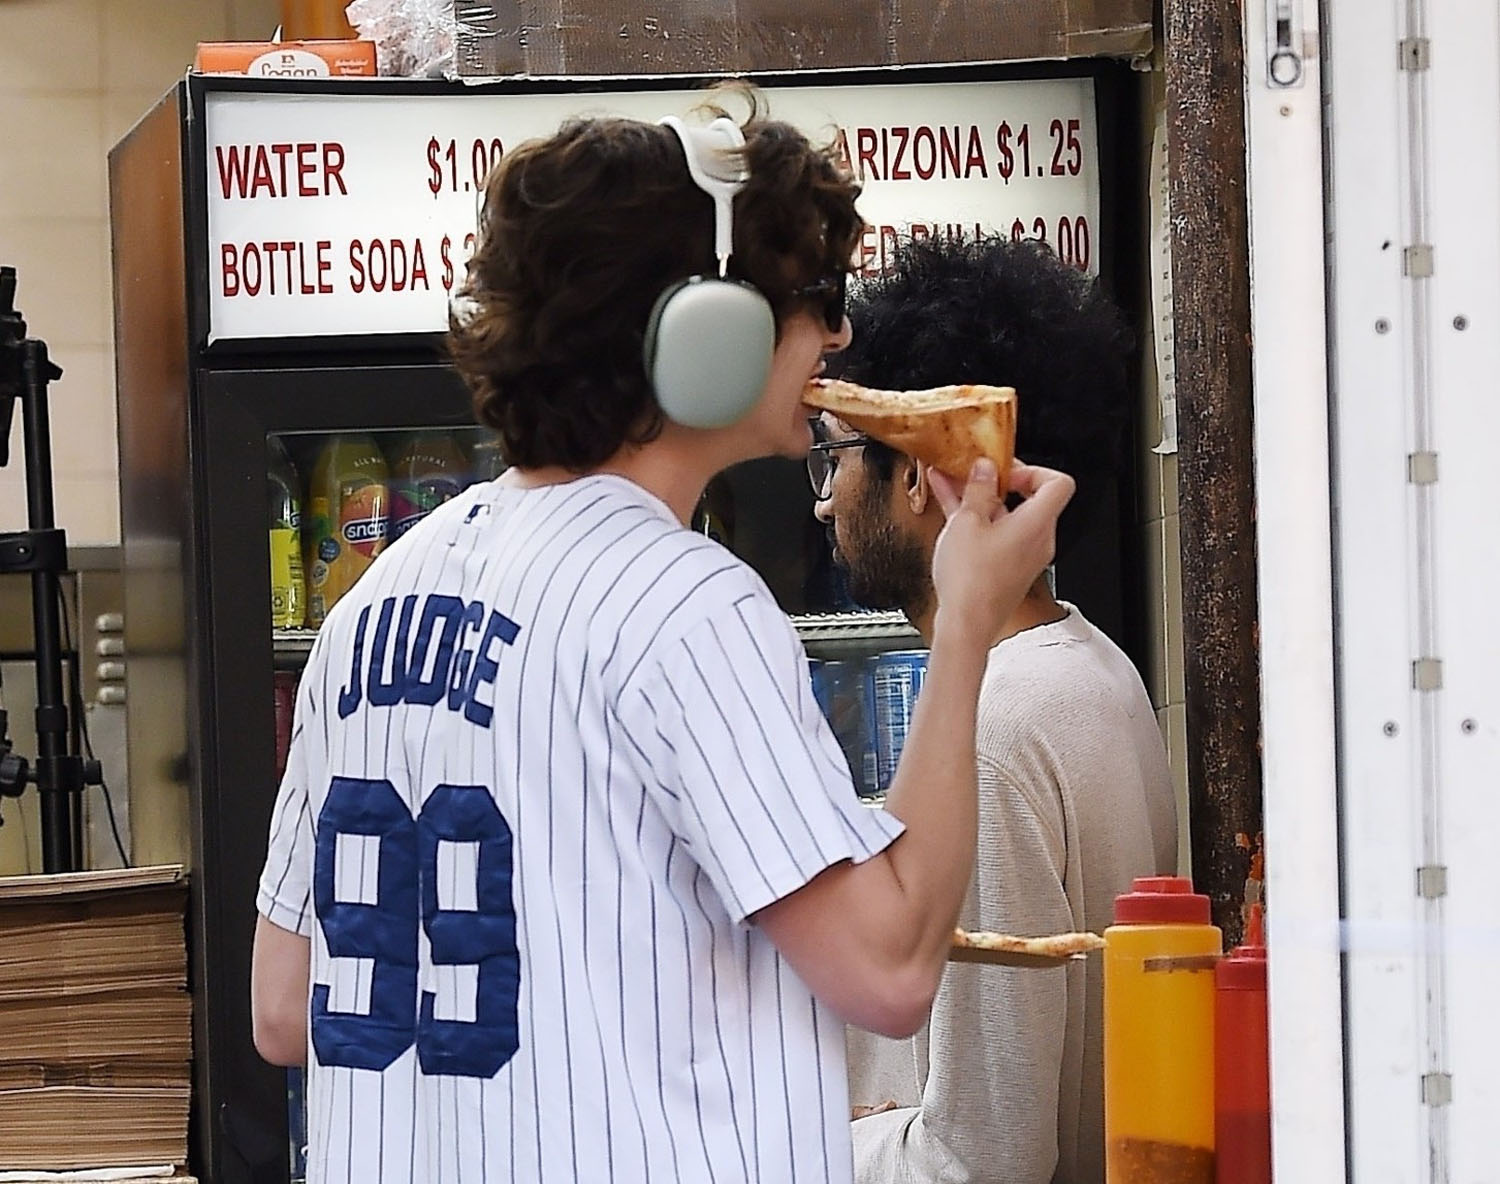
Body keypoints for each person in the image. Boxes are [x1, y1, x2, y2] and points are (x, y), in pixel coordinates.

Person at [249, 89, 1075, 1184]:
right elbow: (888, 964)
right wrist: (969, 615)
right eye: (815, 299)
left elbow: (279, 1005)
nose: (836, 336)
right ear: (704, 327)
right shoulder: (682, 604)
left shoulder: (370, 605)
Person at [820, 235, 1178, 1184]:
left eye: (840, 459)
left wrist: (805, 1142)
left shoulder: (995, 727)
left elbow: (981, 1158)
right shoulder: (1091, 663)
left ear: (920, 479)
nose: (824, 502)